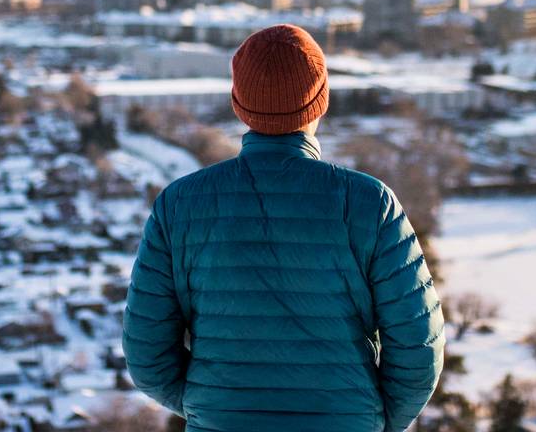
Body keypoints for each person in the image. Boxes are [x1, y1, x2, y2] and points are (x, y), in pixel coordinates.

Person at [123, 24, 444, 431]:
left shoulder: (179, 205)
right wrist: (371, 420)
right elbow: (420, 350)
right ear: (320, 102)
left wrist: (212, 409)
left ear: (239, 103)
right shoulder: (369, 204)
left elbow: (147, 356)